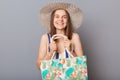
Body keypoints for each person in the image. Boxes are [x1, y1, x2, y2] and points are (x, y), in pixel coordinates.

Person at [36, 2, 84, 70]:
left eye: (64, 17)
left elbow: (82, 65)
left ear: (68, 20)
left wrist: (71, 51)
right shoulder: (45, 38)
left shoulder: (74, 37)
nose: (60, 19)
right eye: (57, 16)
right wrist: (50, 53)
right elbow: (39, 67)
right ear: (52, 20)